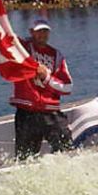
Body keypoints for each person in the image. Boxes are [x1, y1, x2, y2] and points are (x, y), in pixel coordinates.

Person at [10, 18, 74, 160]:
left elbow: (67, 87)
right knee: (24, 158)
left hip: (50, 111)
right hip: (26, 111)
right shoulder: (23, 50)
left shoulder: (56, 55)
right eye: (39, 31)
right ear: (31, 32)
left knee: (67, 151)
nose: (42, 34)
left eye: (45, 31)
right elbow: (7, 39)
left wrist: (46, 78)